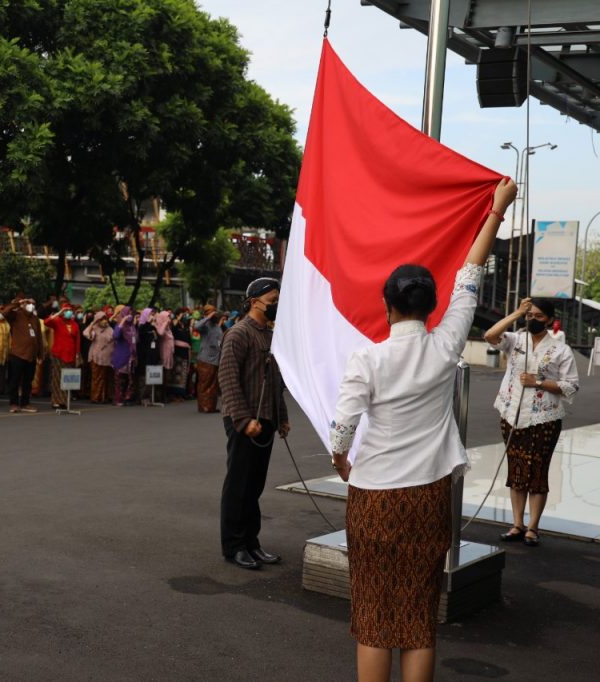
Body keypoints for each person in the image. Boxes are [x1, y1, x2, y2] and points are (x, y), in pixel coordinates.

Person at [330, 178, 516, 682]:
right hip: (427, 496)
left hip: (372, 495)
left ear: (387, 304)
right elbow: (470, 277)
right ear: (431, 306)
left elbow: (343, 425)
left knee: (372, 616)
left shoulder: (367, 358)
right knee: (417, 617)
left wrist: (341, 460)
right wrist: (496, 212)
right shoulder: (445, 344)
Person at [485, 296, 579, 547]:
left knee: (537, 472)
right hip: (511, 414)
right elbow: (490, 336)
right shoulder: (516, 339)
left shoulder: (561, 350)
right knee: (516, 469)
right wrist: (517, 313)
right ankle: (517, 524)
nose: (533, 320)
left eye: (539, 316)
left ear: (549, 319)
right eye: (530, 315)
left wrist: (538, 382)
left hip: (543, 419)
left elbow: (571, 386)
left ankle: (533, 527)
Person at [218, 278, 289, 570]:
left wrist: (281, 417)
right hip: (244, 421)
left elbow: (276, 382)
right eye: (272, 299)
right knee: (239, 485)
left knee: (255, 485)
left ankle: (252, 542)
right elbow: (228, 380)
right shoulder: (238, 334)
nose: (276, 305)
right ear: (254, 301)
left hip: (266, 421)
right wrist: (243, 419)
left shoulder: (271, 336)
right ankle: (234, 546)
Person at [3, 297, 43, 413]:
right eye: (29, 303)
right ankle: (14, 403)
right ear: (24, 304)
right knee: (14, 380)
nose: (32, 305)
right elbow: (5, 313)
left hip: (31, 355)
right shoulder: (16, 315)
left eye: (33, 304)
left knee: (28, 381)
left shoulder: (35, 319)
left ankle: (25, 403)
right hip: (18, 354)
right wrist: (17, 303)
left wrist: (40, 353)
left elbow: (39, 337)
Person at [43, 304, 81, 409]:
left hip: (71, 354)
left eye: (70, 310)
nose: (69, 312)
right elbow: (46, 322)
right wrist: (59, 313)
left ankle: (64, 400)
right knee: (57, 377)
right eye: (66, 310)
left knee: (67, 378)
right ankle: (56, 401)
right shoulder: (57, 321)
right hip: (59, 354)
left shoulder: (74, 324)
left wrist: (77, 354)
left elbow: (77, 340)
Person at [194, 305, 221, 413]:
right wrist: (208, 317)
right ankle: (204, 407)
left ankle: (211, 406)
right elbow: (196, 326)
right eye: (212, 313)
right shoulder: (205, 325)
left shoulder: (216, 326)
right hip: (205, 360)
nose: (215, 315)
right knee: (205, 384)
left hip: (215, 359)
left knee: (213, 385)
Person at [83, 311, 114, 404]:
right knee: (97, 378)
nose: (104, 321)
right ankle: (96, 397)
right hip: (97, 357)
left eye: (105, 319)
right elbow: (86, 334)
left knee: (107, 378)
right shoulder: (94, 328)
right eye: (101, 319)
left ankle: (106, 397)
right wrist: (92, 324)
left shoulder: (110, 329)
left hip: (108, 358)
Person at [111, 306, 137, 406]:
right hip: (121, 356)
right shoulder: (120, 326)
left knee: (129, 379)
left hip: (131, 356)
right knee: (119, 379)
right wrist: (123, 321)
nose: (130, 315)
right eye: (128, 313)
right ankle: (118, 399)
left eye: (131, 313)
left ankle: (127, 398)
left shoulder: (132, 326)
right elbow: (115, 335)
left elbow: (136, 340)